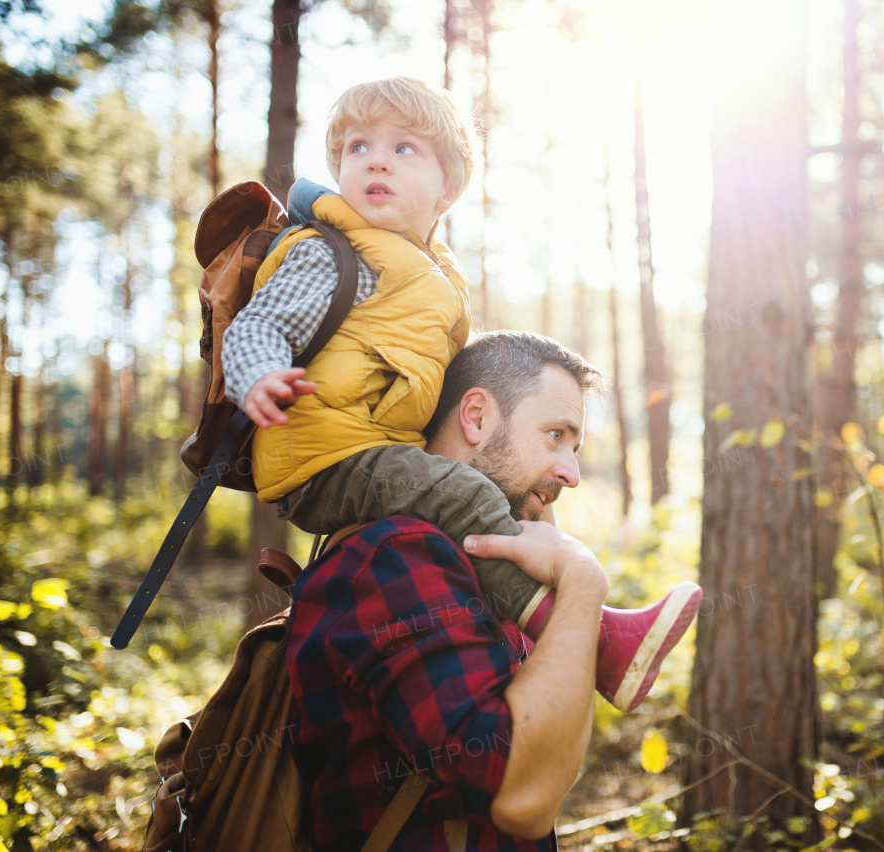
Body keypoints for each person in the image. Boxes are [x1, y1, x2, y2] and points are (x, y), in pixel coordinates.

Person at [221, 78, 699, 712]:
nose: (377, 159)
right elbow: (259, 324)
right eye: (358, 147)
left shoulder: (430, 277)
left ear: (447, 191)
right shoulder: (328, 251)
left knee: (480, 497)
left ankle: (571, 634)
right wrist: (258, 373)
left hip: (368, 448)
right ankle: (594, 638)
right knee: (463, 493)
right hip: (322, 456)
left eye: (405, 148)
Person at [286, 332, 670, 851]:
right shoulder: (400, 556)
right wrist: (582, 581)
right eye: (555, 435)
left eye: (575, 449)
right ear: (477, 417)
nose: (572, 473)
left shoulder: (481, 567)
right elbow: (523, 795)